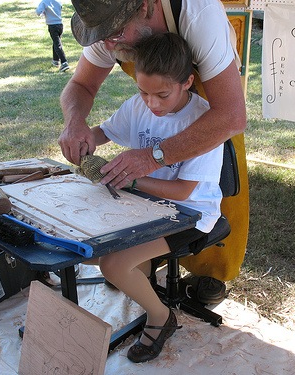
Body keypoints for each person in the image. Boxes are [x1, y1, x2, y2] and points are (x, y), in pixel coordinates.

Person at [59, 0, 248, 305]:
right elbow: (81, 83)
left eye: (117, 33)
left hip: (209, 96)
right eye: (102, 35)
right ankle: (144, 263)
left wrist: (150, 157)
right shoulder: (109, 29)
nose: (109, 43)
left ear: (145, 7)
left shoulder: (198, 14)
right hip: (164, 85)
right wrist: (75, 123)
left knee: (219, 169)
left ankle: (212, 273)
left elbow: (231, 117)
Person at [90, 32, 223, 363]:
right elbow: (104, 132)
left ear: (187, 82)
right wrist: (81, 138)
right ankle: (141, 272)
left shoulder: (203, 121)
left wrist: (132, 178)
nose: (151, 103)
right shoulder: (140, 104)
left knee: (112, 264)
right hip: (145, 205)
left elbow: (182, 192)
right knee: (85, 243)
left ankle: (161, 317)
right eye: (142, 91)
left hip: (190, 213)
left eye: (162, 94)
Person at [36, 0, 70, 72]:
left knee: (57, 44)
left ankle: (64, 62)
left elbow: (38, 12)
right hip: (60, 24)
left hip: (52, 25)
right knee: (56, 42)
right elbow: (60, 8)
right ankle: (55, 60)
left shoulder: (44, 2)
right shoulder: (58, 1)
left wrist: (43, 12)